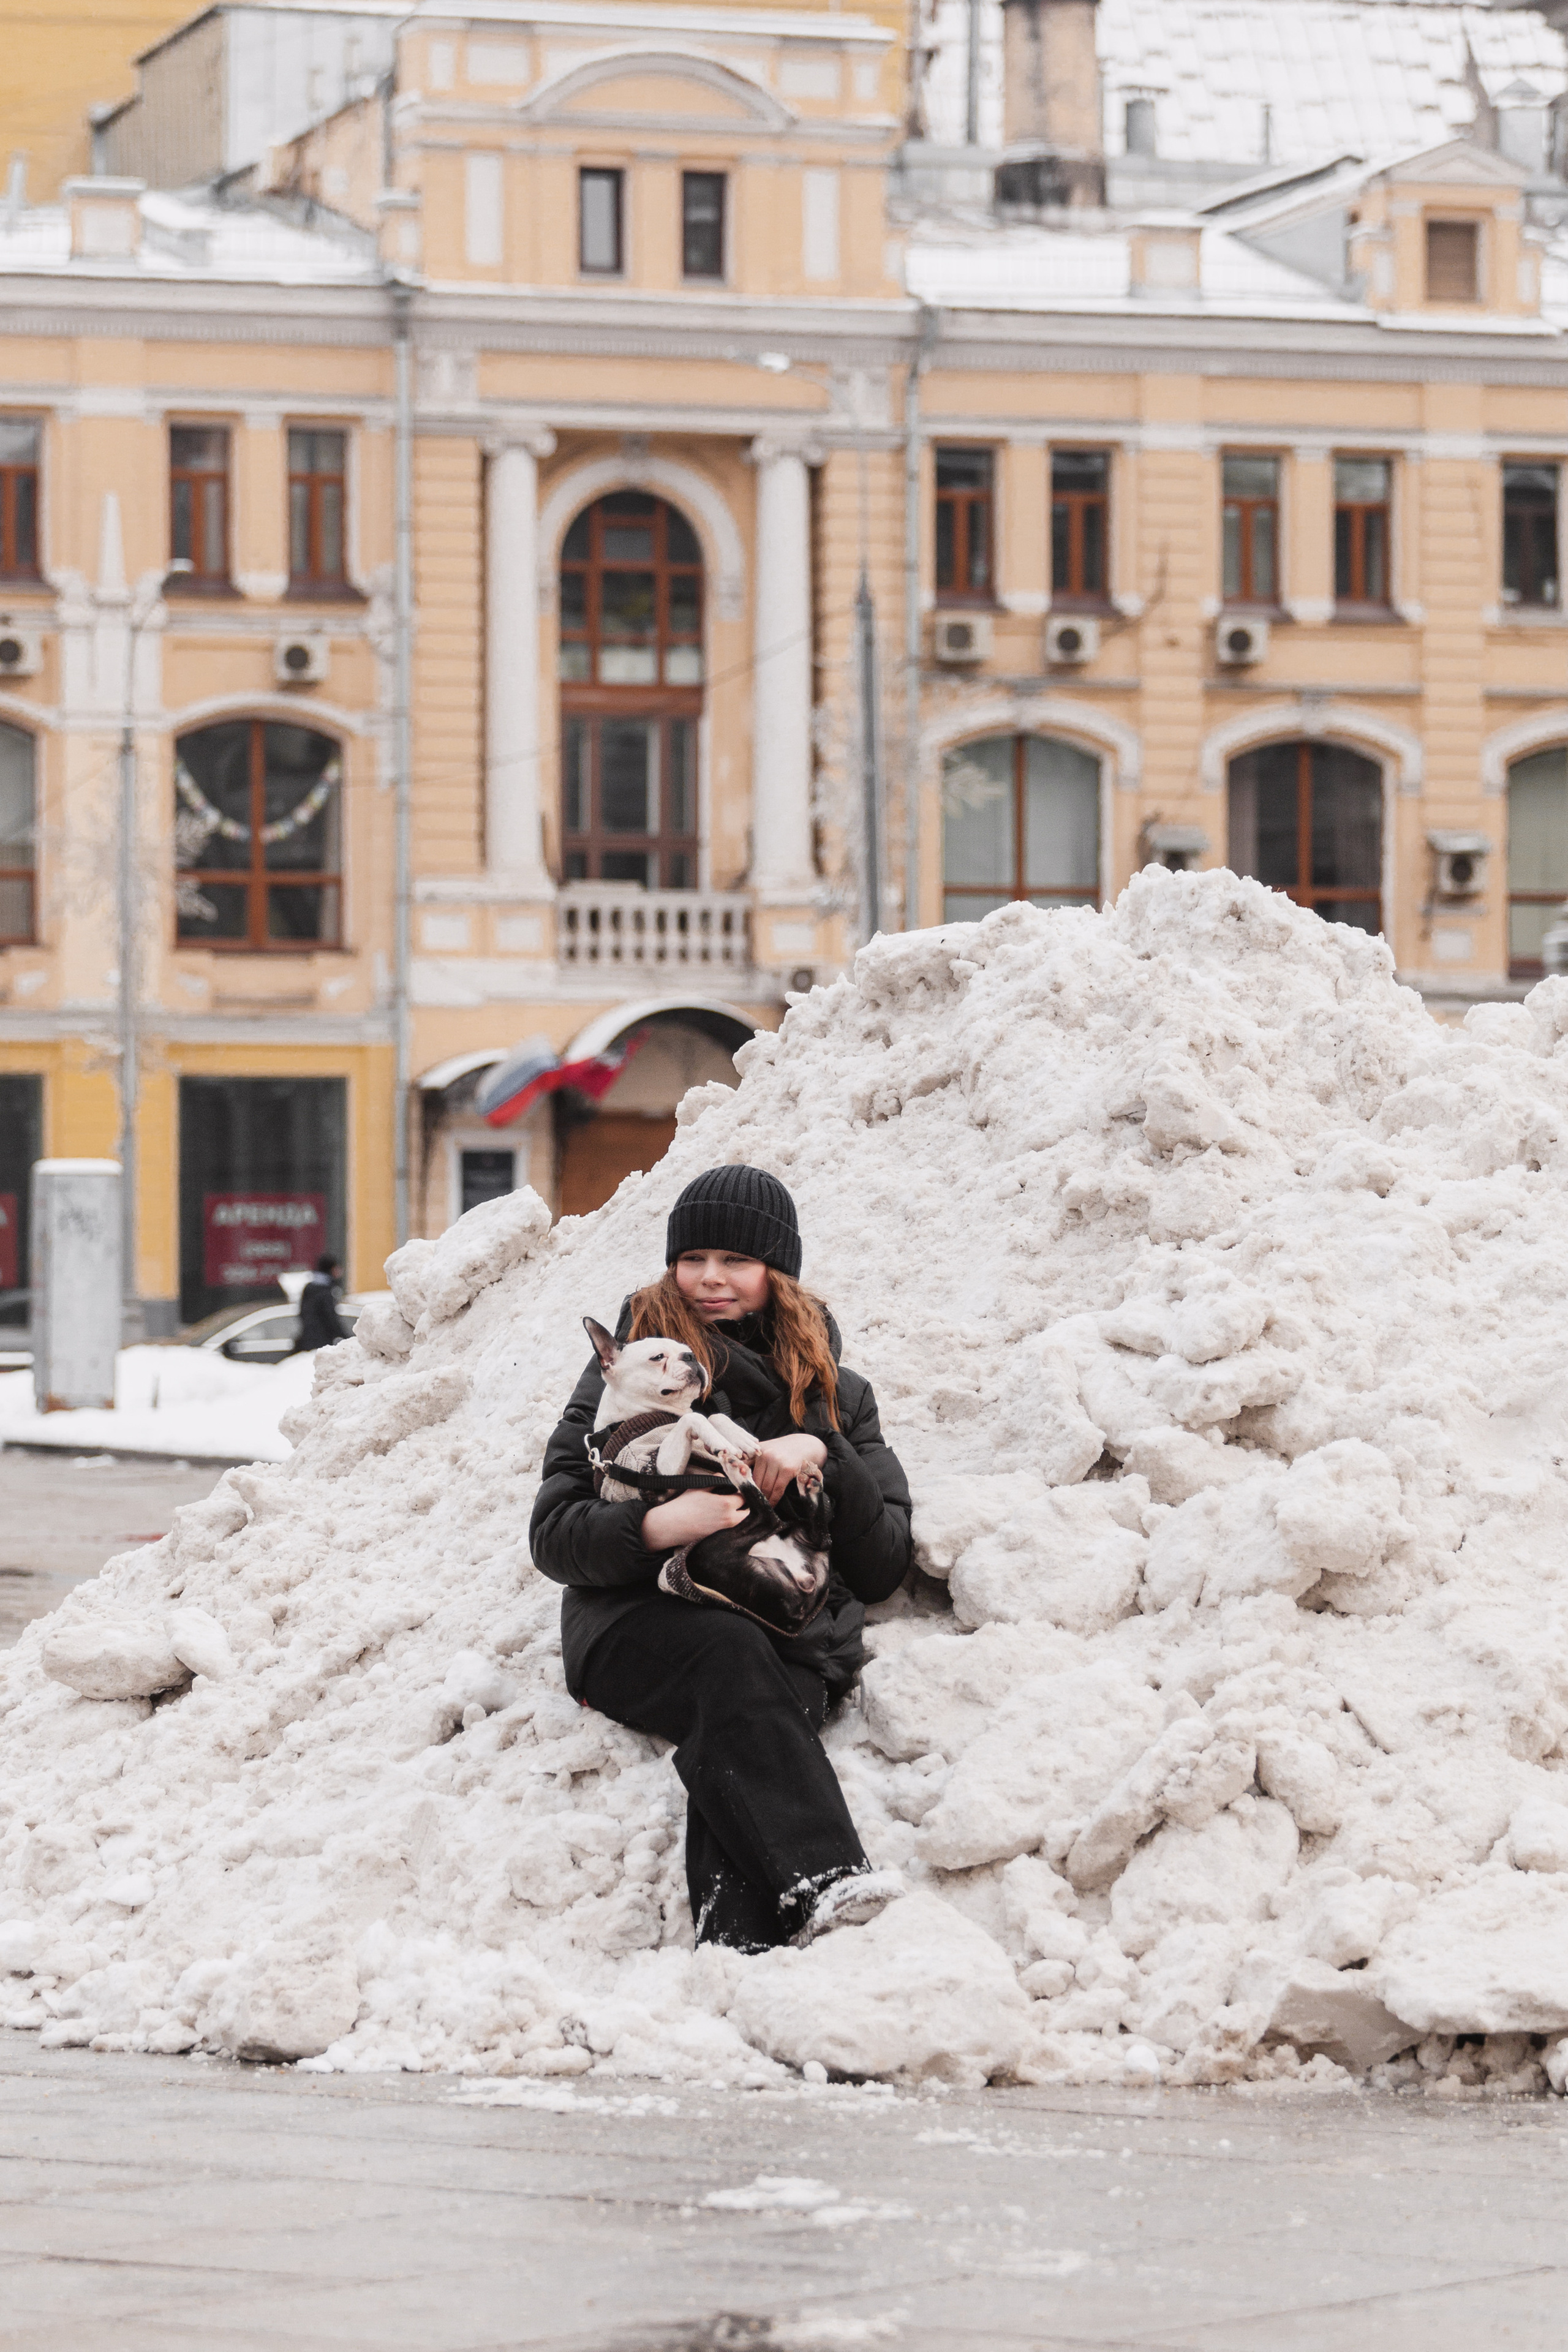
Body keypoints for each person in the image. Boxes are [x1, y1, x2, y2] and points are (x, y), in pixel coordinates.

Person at [530, 1164, 913, 1952]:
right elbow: (557, 1533)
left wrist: (824, 1450)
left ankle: (738, 1956)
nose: (710, 1279)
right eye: (692, 1258)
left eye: (736, 1261)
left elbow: (883, 1568)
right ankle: (830, 1884)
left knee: (753, 1722)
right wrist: (663, 1527)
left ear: (778, 1272)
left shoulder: (838, 1394)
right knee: (732, 1662)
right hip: (636, 1622)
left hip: (786, 1621)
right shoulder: (632, 1373)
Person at [295, 1254, 347, 1351]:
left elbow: (302, 1313)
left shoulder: (309, 1288)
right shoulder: (325, 1292)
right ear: (331, 1269)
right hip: (322, 1342)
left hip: (308, 1340)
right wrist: (347, 1338)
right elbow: (331, 1318)